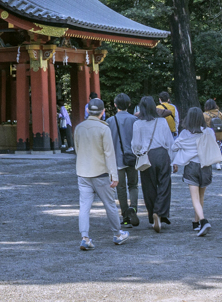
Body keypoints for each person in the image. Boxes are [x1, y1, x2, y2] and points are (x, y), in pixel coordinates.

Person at [73, 98, 132, 250]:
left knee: (84, 206)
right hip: (101, 173)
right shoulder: (103, 128)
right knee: (110, 204)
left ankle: (85, 237)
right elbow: (109, 154)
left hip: (83, 173)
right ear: (103, 112)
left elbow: (77, 150)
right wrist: (114, 175)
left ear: (87, 111)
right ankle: (117, 234)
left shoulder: (79, 128)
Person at [171, 109, 219, 236]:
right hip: (206, 165)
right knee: (201, 196)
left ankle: (203, 221)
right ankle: (196, 222)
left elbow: (174, 147)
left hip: (191, 166)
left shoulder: (185, 134)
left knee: (194, 198)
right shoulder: (208, 131)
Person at [131, 95, 175, 232]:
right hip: (161, 154)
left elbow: (136, 144)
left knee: (148, 187)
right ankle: (159, 212)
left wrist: (138, 152)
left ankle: (153, 215)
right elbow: (169, 141)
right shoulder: (161, 122)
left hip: (147, 156)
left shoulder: (138, 123)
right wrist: (173, 160)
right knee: (164, 184)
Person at [109, 93, 140, 227]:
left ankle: (125, 217)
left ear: (115, 105)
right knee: (133, 185)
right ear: (129, 104)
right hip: (132, 158)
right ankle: (133, 208)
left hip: (117, 159)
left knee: (120, 188)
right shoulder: (134, 120)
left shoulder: (110, 121)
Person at [202, 99, 222, 167]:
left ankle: (208, 162)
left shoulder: (204, 115)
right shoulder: (220, 113)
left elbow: (203, 126)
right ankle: (218, 163)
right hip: (220, 135)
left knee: (209, 149)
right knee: (219, 149)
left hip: (209, 135)